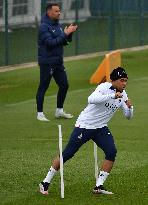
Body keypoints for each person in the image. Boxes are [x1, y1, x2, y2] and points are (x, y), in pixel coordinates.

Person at [39, 67, 133, 195]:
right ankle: (45, 182)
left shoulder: (124, 94)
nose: (124, 83)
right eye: (122, 80)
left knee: (111, 152)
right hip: (85, 125)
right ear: (114, 80)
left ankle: (99, 186)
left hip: (101, 127)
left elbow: (128, 116)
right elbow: (91, 99)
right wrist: (112, 95)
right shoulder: (104, 87)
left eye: (126, 81)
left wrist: (130, 107)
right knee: (68, 153)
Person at [36, 3, 78, 121]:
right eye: (56, 11)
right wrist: (65, 34)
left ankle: (59, 111)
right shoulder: (44, 27)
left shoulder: (58, 26)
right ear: (49, 12)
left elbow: (64, 43)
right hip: (47, 62)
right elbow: (50, 43)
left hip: (58, 62)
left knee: (64, 85)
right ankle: (40, 113)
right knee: (43, 86)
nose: (59, 13)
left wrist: (69, 34)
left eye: (59, 11)